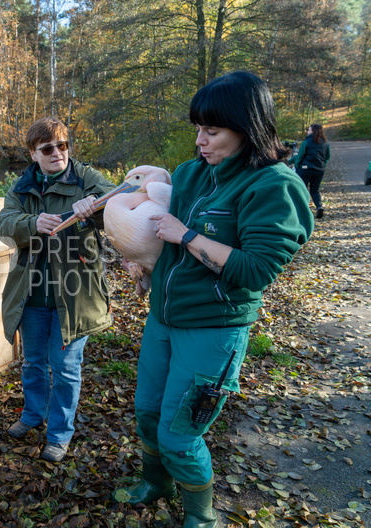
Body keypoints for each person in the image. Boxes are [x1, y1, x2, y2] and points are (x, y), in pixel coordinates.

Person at [111, 71, 313, 526]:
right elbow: (162, 241)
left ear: (249, 127)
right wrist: (144, 264)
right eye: (198, 129)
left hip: (213, 329)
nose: (201, 141)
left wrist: (186, 236)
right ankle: (155, 482)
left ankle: (201, 517)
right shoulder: (190, 174)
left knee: (179, 434)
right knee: (146, 414)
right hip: (163, 318)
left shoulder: (274, 186)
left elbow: (257, 270)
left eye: (213, 131)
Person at [0, 117, 114, 462]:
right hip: (31, 295)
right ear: (33, 154)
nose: (58, 153)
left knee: (65, 367)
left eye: (63, 146)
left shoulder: (85, 177)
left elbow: (121, 200)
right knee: (32, 362)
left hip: (74, 296)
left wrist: (94, 206)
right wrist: (32, 223)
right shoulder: (21, 186)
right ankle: (32, 416)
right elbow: (3, 224)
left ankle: (60, 434)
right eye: (48, 148)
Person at [292, 123, 331, 218]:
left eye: (309, 130)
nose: (307, 131)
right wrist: (323, 165)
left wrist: (297, 165)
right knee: (314, 190)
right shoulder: (325, 142)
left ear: (313, 131)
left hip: (305, 169)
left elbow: (300, 155)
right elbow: (327, 156)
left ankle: (303, 209)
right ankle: (319, 206)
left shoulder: (306, 142)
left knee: (302, 189)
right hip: (319, 170)